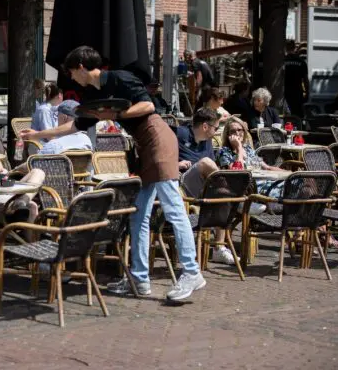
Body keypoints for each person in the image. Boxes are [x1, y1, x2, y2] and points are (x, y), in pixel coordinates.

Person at [21, 46, 205, 301]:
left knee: (173, 206)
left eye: (72, 72)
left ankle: (192, 272)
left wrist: (115, 114)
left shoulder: (118, 78)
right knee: (138, 215)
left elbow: (148, 105)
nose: (72, 78)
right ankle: (139, 279)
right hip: (143, 145)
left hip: (158, 138)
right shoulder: (91, 94)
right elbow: (74, 126)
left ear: (82, 67)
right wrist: (37, 135)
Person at [175, 109, 238, 265]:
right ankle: (240, 200)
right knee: (205, 163)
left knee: (222, 194)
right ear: (205, 126)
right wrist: (175, 164)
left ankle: (219, 248)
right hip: (182, 182)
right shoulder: (179, 134)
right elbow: (159, 155)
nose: (216, 132)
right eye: (215, 128)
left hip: (204, 184)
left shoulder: (207, 141)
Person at [284, 40, 309, 117]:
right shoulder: (301, 62)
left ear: (286, 48)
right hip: (297, 93)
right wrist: (307, 93)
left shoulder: (282, 61)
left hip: (285, 93)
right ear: (295, 48)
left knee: (286, 115)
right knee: (298, 116)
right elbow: (305, 80)